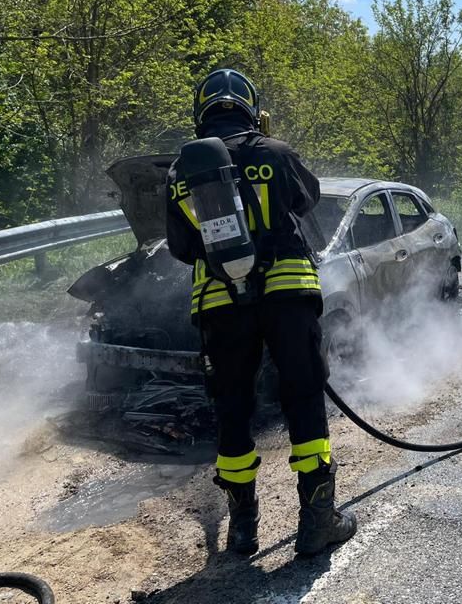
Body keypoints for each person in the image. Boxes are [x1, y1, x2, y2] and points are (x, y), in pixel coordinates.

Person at [165, 68, 357, 556]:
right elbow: (307, 200)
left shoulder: (182, 170)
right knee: (303, 397)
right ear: (252, 109)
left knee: (232, 409)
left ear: (200, 113)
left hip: (219, 304)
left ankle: (243, 529)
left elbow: (181, 248)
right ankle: (318, 522)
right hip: (289, 294)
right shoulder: (276, 152)